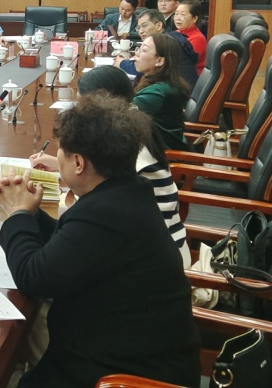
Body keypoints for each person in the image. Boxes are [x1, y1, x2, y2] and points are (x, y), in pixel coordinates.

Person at [0, 94, 200, 388]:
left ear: (78, 162)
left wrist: (18, 213)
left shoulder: (105, 213)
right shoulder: (128, 191)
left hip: (125, 377)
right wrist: (33, 214)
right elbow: (74, 244)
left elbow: (33, 277)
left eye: (61, 150)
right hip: (131, 353)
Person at [30, 66, 190, 267]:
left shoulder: (128, 146)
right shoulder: (131, 127)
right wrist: (61, 166)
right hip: (149, 245)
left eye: (82, 104)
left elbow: (99, 202)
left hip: (151, 258)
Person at [131, 34, 191, 151]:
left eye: (144, 50)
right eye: (138, 48)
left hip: (162, 157)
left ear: (159, 61)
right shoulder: (166, 83)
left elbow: (121, 118)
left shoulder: (157, 93)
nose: (136, 54)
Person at [116, 10, 198, 88]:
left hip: (181, 91)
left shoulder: (166, 43)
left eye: (144, 26)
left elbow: (142, 69)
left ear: (159, 26)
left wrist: (121, 63)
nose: (140, 31)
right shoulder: (169, 37)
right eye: (138, 28)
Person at [174, 0, 207, 76]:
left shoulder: (198, 38)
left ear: (194, 18)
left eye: (183, 15)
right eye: (176, 14)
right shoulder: (175, 33)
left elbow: (182, 62)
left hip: (188, 77)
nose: (178, 18)